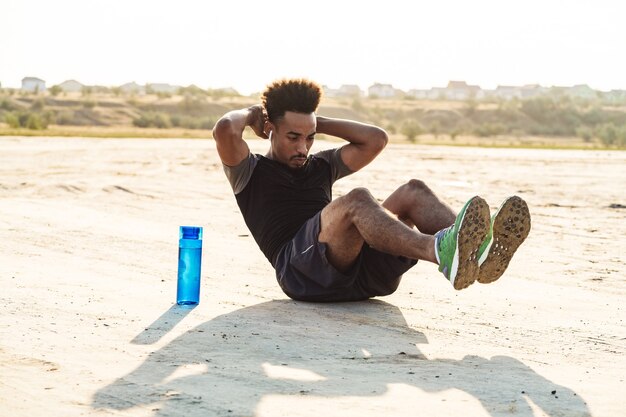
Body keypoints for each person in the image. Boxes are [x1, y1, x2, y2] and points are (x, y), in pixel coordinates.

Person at [212, 79, 530, 302]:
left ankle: (478, 253)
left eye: (309, 137)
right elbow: (226, 129)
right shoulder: (249, 171)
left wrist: (312, 122)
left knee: (413, 191)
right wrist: (256, 114)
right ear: (270, 130)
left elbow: (376, 139)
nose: (303, 147)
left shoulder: (321, 165)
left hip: (359, 273)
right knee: (357, 200)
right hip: (302, 274)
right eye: (293, 137)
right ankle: (440, 251)